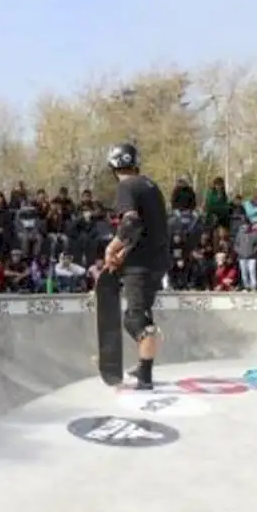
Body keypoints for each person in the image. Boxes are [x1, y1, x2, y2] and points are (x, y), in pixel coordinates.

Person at [102, 142, 170, 390]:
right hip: (158, 261)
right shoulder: (151, 186)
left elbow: (130, 222)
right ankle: (144, 365)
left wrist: (113, 247)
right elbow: (148, 228)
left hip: (139, 266)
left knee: (135, 320)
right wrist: (125, 251)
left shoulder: (126, 186)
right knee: (143, 311)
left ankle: (145, 377)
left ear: (113, 167)